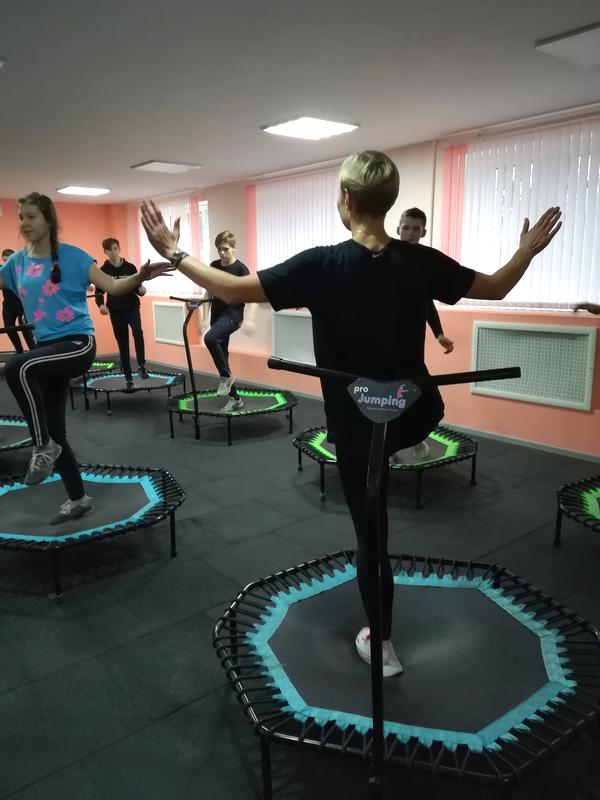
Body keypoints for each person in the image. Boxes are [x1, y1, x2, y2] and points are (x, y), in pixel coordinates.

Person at [141, 151, 561, 677]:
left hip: (359, 427)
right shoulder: (419, 260)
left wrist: (174, 250)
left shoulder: (321, 264)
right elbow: (497, 286)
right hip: (416, 410)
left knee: (372, 535)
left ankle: (381, 645)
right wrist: (525, 251)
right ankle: (400, 452)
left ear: (346, 199)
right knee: (407, 433)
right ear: (388, 202)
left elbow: (227, 288)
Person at [0, 193, 169, 524]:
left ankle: (41, 447)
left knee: (17, 366)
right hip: (46, 349)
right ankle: (79, 498)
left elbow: (112, 286)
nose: (24, 223)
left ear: (48, 219)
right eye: (21, 217)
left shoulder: (74, 257)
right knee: (56, 431)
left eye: (31, 216)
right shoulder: (16, 263)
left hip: (77, 343)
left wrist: (140, 277)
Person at [393, 207, 454, 461]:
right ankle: (389, 447)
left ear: (423, 232)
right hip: (386, 345)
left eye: (415, 229)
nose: (410, 232)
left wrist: (439, 333)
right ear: (398, 229)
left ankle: (415, 440)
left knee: (427, 402)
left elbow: (427, 302)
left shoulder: (423, 262)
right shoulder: (386, 257)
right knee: (387, 398)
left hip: (412, 347)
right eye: (406, 227)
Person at [201, 231, 251, 412]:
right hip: (217, 314)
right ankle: (235, 399)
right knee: (223, 356)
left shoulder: (241, 269)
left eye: (225, 249)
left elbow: (252, 295)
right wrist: (204, 318)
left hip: (233, 315)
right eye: (219, 249)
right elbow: (208, 293)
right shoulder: (214, 266)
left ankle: (225, 377)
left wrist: (251, 319)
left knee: (210, 339)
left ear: (234, 248)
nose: (222, 253)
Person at [95, 237, 148, 390]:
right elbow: (99, 292)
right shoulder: (103, 271)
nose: (113, 252)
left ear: (119, 249)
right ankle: (128, 377)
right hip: (116, 310)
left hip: (132, 306)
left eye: (115, 248)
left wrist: (142, 290)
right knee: (123, 343)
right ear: (105, 252)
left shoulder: (130, 268)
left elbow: (138, 288)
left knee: (138, 332)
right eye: (109, 250)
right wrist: (101, 305)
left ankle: (141, 365)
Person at [1, 248, 36, 352]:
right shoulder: (2, 271)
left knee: (25, 328)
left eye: (8, 260)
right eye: (4, 260)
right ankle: (19, 351)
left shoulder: (21, 271)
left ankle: (33, 351)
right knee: (8, 328)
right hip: (8, 305)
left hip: (21, 303)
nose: (6, 263)